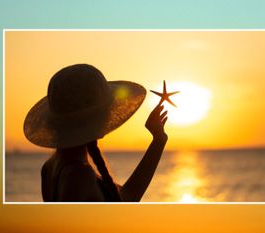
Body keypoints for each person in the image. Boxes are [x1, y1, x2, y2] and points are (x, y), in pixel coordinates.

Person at [23, 64, 168, 202]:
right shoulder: (79, 175)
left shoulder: (51, 167)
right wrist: (158, 140)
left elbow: (125, 198)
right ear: (98, 118)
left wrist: (158, 141)